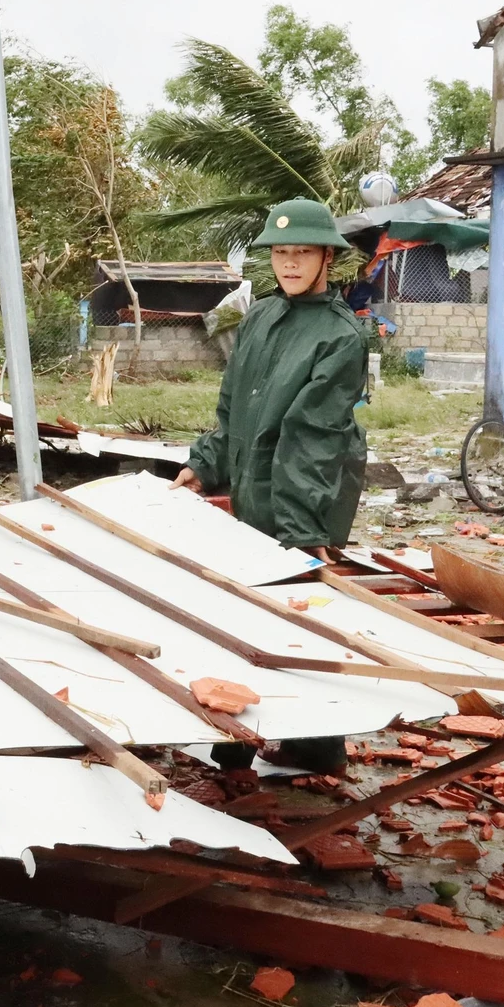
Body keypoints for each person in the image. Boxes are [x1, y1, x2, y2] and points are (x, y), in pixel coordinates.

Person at [175, 197, 371, 773]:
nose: (289, 263)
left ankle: (317, 748)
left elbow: (313, 436)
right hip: (254, 489)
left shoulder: (341, 337)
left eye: (301, 252)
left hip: (308, 492)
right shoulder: (259, 316)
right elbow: (233, 407)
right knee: (242, 611)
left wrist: (302, 530)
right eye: (281, 253)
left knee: (302, 615)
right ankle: (234, 740)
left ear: (326, 259)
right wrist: (205, 464)